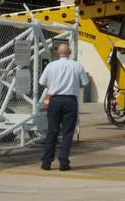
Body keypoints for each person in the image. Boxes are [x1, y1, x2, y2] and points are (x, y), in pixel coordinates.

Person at [38, 42, 89, 171]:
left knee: (52, 132)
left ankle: (46, 162)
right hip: (70, 100)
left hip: (54, 100)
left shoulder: (51, 66)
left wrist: (54, 85)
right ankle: (63, 162)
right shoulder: (77, 66)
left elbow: (41, 82)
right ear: (70, 52)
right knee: (67, 133)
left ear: (57, 53)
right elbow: (85, 83)